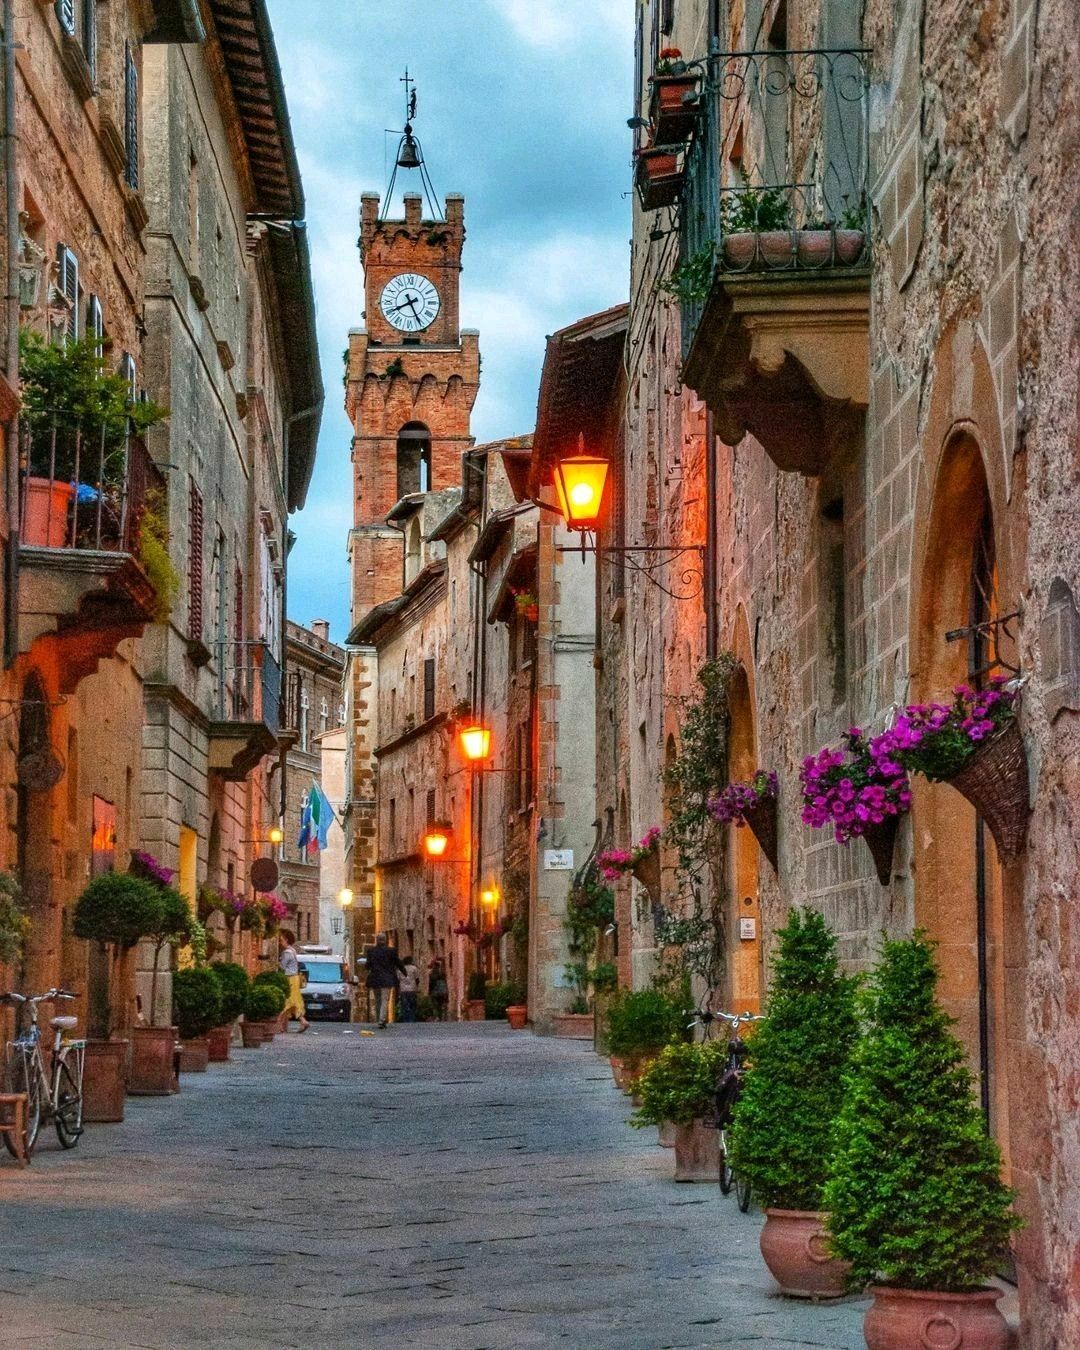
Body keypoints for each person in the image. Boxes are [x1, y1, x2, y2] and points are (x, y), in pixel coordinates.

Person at [364, 932, 406, 1028]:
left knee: (378, 1000)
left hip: (375, 979)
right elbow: (398, 962)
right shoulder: (391, 951)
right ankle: (381, 1020)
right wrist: (404, 972)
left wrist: (368, 968)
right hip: (387, 979)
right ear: (385, 940)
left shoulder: (371, 951)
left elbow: (367, 966)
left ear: (377, 940)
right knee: (385, 1000)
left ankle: (380, 1019)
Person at [278, 929, 309, 1034]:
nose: (279, 942)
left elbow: (282, 967)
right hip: (294, 978)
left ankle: (278, 1025)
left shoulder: (287, 952)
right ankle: (300, 1022)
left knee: (287, 1001)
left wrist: (276, 963)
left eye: (281, 939)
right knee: (294, 1001)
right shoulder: (293, 950)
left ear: (286, 940)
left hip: (289, 978)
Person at [398, 955, 420, 1022]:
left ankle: (405, 1019)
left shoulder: (400, 969)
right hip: (412, 989)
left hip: (403, 989)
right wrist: (416, 986)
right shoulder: (414, 968)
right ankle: (412, 1019)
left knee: (404, 1005)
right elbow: (417, 979)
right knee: (412, 1005)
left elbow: (398, 979)